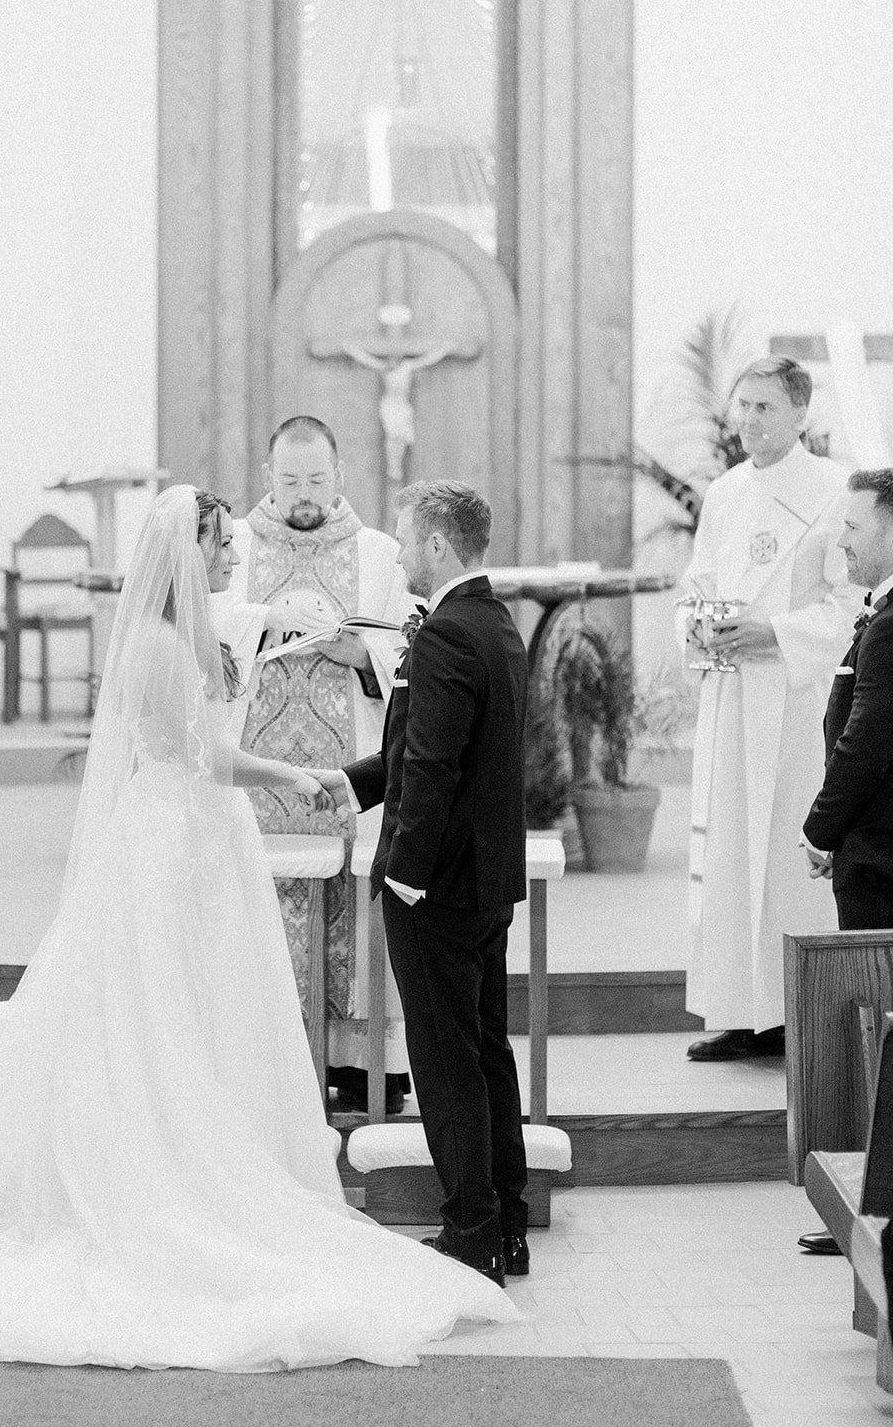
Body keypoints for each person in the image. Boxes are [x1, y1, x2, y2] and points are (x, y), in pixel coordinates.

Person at [0, 485, 519, 1368]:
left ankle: (242, 1163)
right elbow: (193, 755)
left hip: (204, 842)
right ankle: (159, 1178)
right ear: (188, 555)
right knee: (151, 1012)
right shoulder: (152, 645)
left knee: (208, 1007)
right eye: (221, 547)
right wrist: (287, 777)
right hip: (165, 842)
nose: (231, 559)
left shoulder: (193, 635)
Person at [317, 480, 531, 1286]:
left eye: (407, 540)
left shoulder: (445, 634)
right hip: (484, 882)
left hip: (434, 888)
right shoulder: (494, 624)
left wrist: (402, 877)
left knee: (444, 1064)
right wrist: (349, 783)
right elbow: (437, 753)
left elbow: (437, 767)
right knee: (486, 1054)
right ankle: (507, 1221)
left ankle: (468, 1230)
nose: (400, 553)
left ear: (438, 545)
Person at [211, 416, 415, 1112]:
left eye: (317, 480)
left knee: (354, 907)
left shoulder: (381, 556)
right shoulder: (229, 549)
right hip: (256, 771)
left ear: (341, 478)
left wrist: (364, 656)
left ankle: (359, 1068)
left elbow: (413, 648)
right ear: (268, 477)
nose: (303, 493)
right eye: (290, 479)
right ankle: (269, 1062)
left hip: (348, 769)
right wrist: (260, 622)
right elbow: (202, 634)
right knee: (263, 902)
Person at [675, 356, 857, 1062]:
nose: (748, 420)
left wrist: (775, 634)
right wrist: (702, 625)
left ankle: (796, 1013)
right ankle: (740, 1011)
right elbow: (699, 581)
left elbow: (852, 602)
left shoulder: (833, 490)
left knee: (785, 857)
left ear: (800, 414)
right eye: (742, 406)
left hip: (796, 702)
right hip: (732, 697)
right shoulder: (724, 492)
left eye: (764, 408)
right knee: (730, 857)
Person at [802, 468, 893, 924]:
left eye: (853, 527)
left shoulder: (889, 628)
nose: (841, 541)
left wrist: (821, 831)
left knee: (875, 993)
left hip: (879, 861)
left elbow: (866, 743)